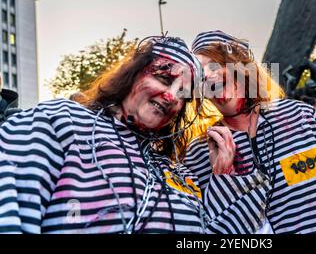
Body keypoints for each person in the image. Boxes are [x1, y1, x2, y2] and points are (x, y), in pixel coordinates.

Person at [0, 36, 269, 234]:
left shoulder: (174, 170)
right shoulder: (60, 120)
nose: (170, 97)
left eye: (183, 94)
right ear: (131, 74)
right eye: (165, 79)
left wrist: (224, 178)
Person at [184, 30, 316, 234]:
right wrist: (223, 176)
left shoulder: (300, 116)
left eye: (215, 66)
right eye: (200, 76)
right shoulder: (201, 151)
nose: (208, 78)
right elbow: (207, 226)